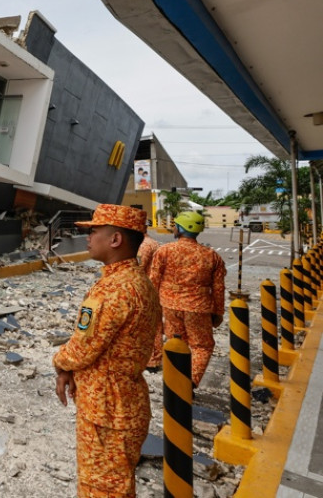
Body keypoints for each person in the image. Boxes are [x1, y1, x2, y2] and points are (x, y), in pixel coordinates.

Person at [54, 204, 160, 497]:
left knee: (102, 489)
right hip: (123, 402)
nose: (88, 237)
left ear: (115, 240)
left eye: (94, 231)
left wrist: (61, 364)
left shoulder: (113, 290)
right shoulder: (139, 283)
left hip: (107, 410)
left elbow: (82, 349)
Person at [147, 211, 227, 387]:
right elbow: (218, 288)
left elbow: (153, 280)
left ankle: (175, 382)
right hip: (198, 308)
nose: (173, 227)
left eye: (176, 225)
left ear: (182, 228)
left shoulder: (164, 251)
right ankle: (189, 383)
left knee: (176, 342)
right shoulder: (212, 256)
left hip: (169, 306)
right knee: (202, 347)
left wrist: (152, 306)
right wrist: (218, 312)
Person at [138, 233, 163, 370]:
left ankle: (152, 361)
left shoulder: (144, 246)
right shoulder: (153, 243)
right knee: (156, 326)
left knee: (149, 327)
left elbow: (137, 269)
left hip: (147, 292)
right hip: (156, 290)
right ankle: (155, 359)